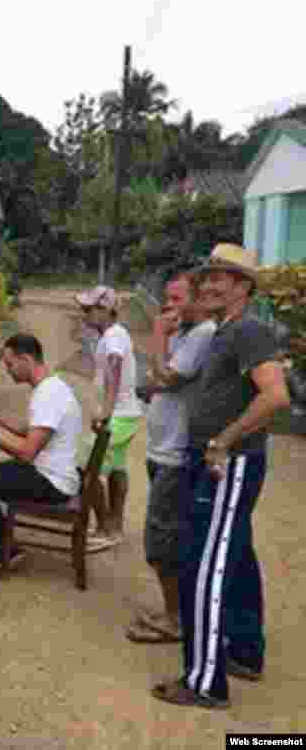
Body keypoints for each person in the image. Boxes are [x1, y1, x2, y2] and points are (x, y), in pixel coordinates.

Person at [153, 244, 289, 710]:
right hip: (214, 460)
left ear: (244, 287)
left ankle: (206, 682)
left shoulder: (248, 330)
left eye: (222, 278)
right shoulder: (224, 331)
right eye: (207, 276)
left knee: (205, 565)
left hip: (226, 463)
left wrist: (223, 441)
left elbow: (275, 396)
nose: (209, 284)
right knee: (238, 555)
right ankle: (245, 652)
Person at [126, 271, 216, 643]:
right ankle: (173, 612)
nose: (168, 306)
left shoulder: (203, 334)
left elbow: (167, 378)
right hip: (162, 449)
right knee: (165, 536)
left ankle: (176, 620)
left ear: (197, 299)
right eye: (167, 298)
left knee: (162, 541)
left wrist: (159, 338)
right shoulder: (185, 333)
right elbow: (157, 376)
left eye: (177, 299)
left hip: (177, 454)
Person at [0, 333, 83, 574]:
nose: (8, 371)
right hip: (50, 472)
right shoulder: (50, 387)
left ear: (27, 360)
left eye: (10, 364)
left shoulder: (49, 395)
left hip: (52, 481)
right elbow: (28, 428)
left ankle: (0, 553)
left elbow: (27, 453)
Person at [75, 285, 143, 542]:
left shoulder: (114, 336)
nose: (85, 314)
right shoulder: (115, 334)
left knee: (86, 468)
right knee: (117, 467)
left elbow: (114, 368)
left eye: (90, 309)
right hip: (126, 414)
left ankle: (105, 527)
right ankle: (115, 526)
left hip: (118, 416)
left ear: (106, 310)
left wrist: (106, 411)